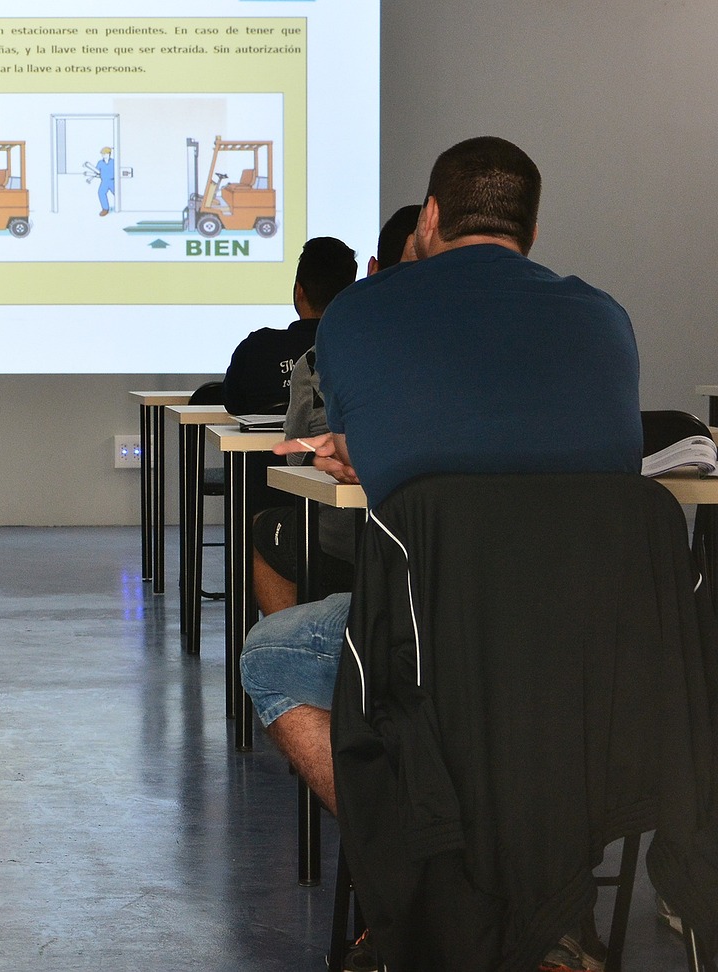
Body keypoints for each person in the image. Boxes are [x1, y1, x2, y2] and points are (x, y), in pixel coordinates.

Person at [239, 136, 641, 970]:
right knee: (518, 704)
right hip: (588, 657)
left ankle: (427, 884)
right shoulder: (605, 318)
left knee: (272, 654)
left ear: (427, 220)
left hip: (428, 640)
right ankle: (546, 912)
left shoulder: (360, 314)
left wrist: (366, 449)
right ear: (533, 230)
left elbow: (379, 429)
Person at [250, 206, 421, 617]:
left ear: (373, 271)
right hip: (454, 549)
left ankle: (300, 650)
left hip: (353, 540)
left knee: (263, 531)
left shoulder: (325, 356)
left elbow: (296, 453)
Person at [221, 237, 357, 417]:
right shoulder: (361, 351)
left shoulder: (256, 348)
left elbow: (234, 404)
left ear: (299, 291)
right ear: (349, 296)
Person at [95, 147, 115, 216]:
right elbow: (97, 171)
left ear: (109, 154)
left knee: (117, 193)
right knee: (101, 193)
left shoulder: (114, 162)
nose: (103, 155)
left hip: (112, 181)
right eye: (102, 154)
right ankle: (105, 209)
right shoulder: (100, 163)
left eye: (105, 154)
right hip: (104, 181)